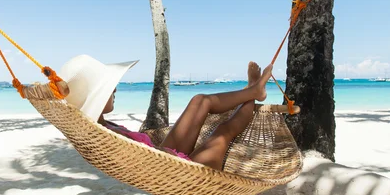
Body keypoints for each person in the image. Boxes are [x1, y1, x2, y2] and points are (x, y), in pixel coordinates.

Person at [58, 55, 272, 170]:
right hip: (181, 173)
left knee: (199, 101)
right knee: (223, 130)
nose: (114, 89)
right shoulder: (100, 134)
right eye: (107, 88)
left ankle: (252, 90)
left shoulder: (102, 125)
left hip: (165, 156)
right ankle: (252, 91)